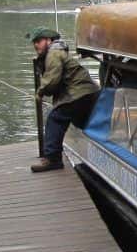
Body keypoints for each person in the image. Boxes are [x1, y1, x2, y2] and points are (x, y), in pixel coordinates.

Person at [29, 26, 99, 172]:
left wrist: (40, 92)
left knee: (55, 118)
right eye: (34, 42)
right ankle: (98, 150)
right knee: (82, 122)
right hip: (87, 93)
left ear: (49, 41)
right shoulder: (57, 51)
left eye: (39, 41)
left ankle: (53, 159)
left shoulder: (53, 53)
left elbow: (52, 79)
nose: (35, 44)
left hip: (77, 93)